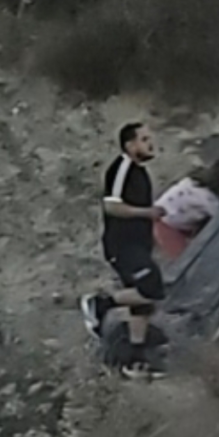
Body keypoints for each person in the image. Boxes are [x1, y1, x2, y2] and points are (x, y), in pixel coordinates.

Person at [80, 122, 168, 377]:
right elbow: (111, 206)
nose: (150, 144)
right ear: (130, 145)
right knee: (152, 287)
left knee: (142, 306)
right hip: (122, 245)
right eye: (144, 139)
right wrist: (147, 212)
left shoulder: (140, 173)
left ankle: (134, 361)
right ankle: (100, 304)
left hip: (137, 245)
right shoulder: (122, 168)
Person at [152, 158, 219, 261]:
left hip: (164, 215)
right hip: (167, 225)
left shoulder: (192, 182)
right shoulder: (208, 199)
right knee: (185, 259)